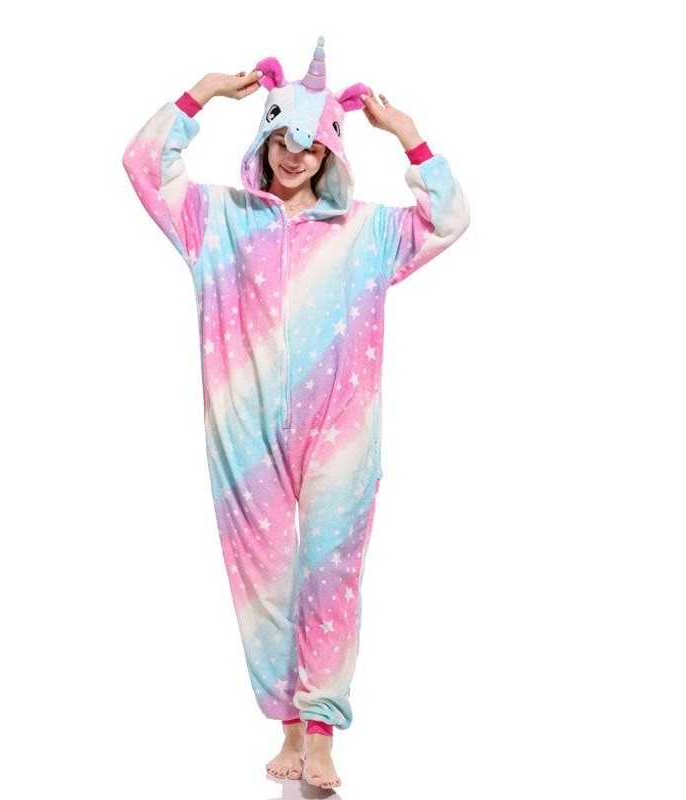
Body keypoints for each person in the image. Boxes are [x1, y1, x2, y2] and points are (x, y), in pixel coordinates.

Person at [122, 36, 470, 790]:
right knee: (265, 580)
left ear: (330, 154)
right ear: (265, 141)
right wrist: (202, 92)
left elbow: (449, 218)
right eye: (283, 141)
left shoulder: (368, 230)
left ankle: (321, 733)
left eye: (310, 147)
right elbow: (144, 164)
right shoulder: (217, 219)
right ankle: (287, 726)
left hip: (339, 429)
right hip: (244, 430)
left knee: (331, 570)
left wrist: (409, 137)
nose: (294, 156)